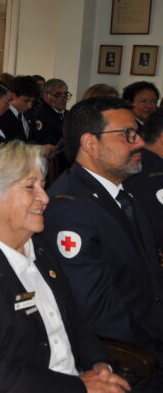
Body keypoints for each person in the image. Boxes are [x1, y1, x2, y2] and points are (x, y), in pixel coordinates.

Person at [0, 141, 130, 393]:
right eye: (29, 187)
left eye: (43, 185)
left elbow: (74, 322)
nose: (45, 198)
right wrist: (79, 387)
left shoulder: (40, 246)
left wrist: (100, 364)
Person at [43, 97, 163, 386]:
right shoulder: (69, 208)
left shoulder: (122, 192)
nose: (138, 144)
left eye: (138, 133)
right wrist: (156, 347)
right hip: (130, 354)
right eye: (127, 134)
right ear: (90, 143)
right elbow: (98, 312)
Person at [0, 75, 40, 142]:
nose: (30, 106)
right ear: (13, 96)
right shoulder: (1, 115)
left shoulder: (29, 114)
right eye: (26, 101)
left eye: (32, 102)